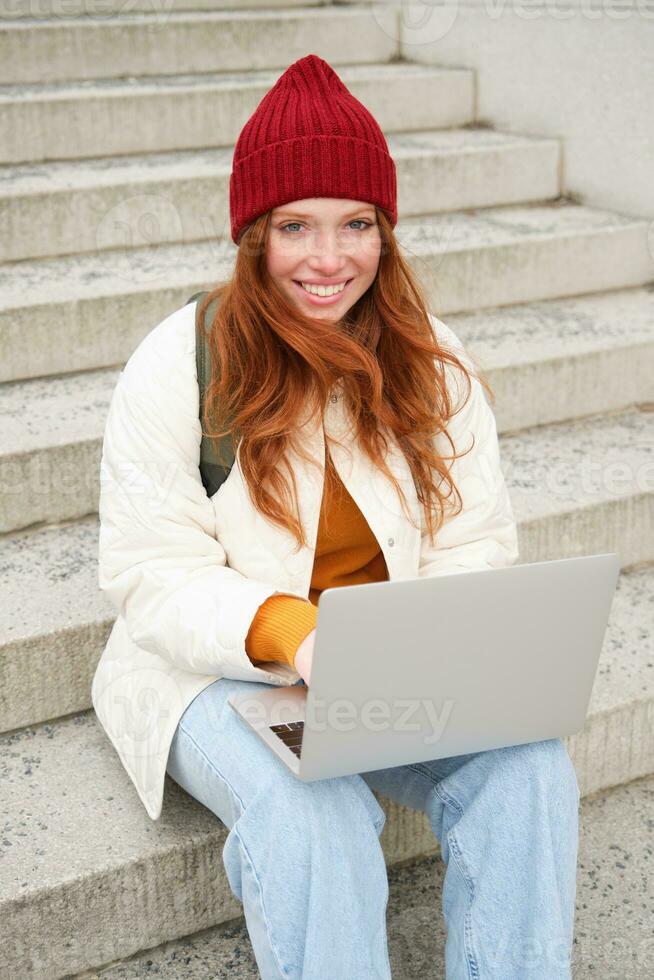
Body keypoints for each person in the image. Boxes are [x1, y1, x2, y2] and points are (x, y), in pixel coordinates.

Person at [93, 54, 580, 980]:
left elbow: (474, 539)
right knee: (309, 808)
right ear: (254, 236)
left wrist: (417, 641)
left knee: (530, 771)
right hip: (214, 671)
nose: (330, 258)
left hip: (390, 668)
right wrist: (293, 634)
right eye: (296, 227)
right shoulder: (178, 359)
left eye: (356, 224)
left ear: (385, 233)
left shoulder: (434, 362)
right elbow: (149, 572)